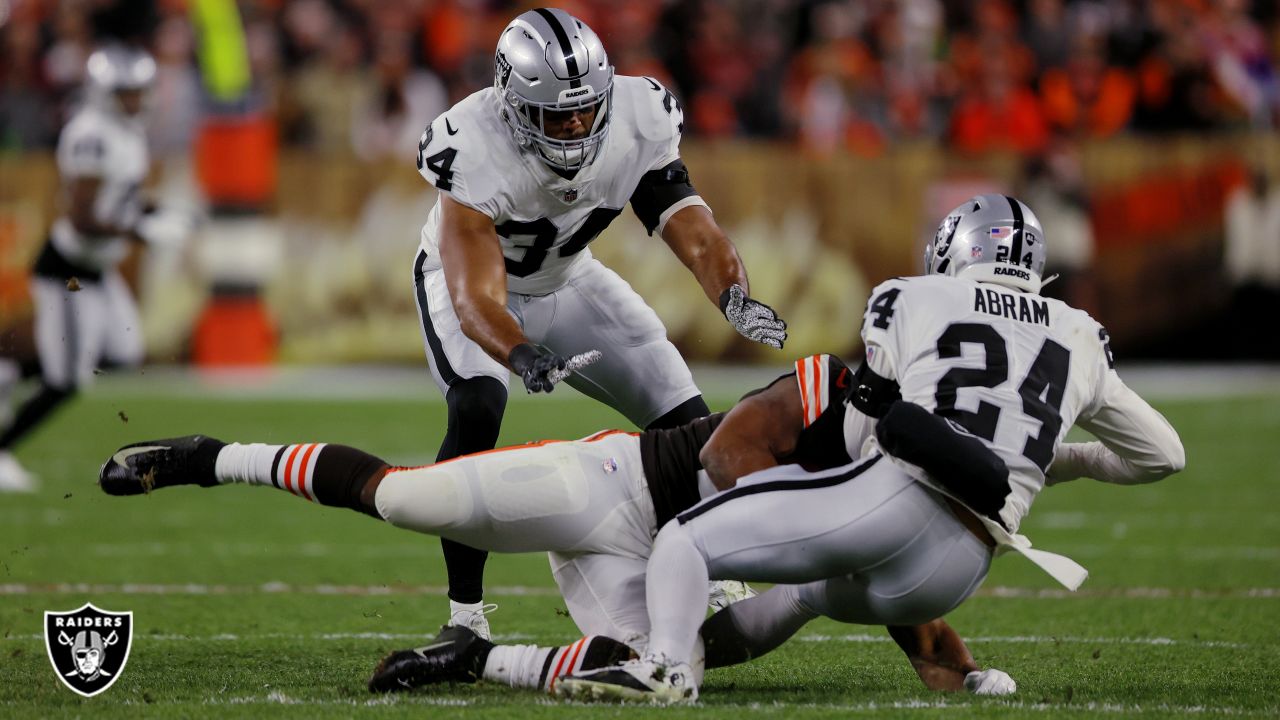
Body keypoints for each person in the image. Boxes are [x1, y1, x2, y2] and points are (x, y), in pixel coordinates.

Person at [559, 194, 1186, 703]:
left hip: (898, 502)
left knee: (685, 540)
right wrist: (1047, 462)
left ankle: (665, 664)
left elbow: (864, 434)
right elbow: (1163, 455)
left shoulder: (915, 295)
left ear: (955, 250)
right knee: (811, 588)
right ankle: (962, 673)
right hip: (961, 570)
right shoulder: (1078, 331)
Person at [97, 352, 1015, 697]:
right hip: (614, 487)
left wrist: (953, 667)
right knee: (408, 497)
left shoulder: (908, 462)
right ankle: (212, 456)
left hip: (668, 555)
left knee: (680, 670)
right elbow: (728, 458)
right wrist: (758, 544)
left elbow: (885, 566)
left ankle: (479, 661)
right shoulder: (838, 385)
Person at [408, 7, 786, 637]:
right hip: (469, 294)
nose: (577, 124)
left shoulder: (639, 118)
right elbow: (475, 300)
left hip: (570, 280)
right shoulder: (470, 143)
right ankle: (466, 616)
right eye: (558, 113)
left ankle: (713, 574)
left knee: (693, 427)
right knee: (477, 407)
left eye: (587, 108)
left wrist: (733, 295)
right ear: (513, 106)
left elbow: (693, 229)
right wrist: (523, 353)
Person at [0, 44, 192, 492]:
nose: (135, 100)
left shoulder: (128, 132)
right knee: (67, 381)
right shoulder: (91, 134)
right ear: (105, 93)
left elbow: (121, 198)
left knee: (125, 353)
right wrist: (140, 230)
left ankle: (9, 373)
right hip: (69, 271)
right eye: (126, 92)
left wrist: (157, 212)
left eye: (139, 91)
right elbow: (83, 219)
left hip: (98, 272)